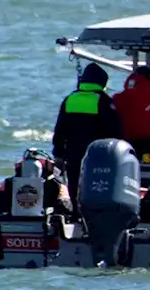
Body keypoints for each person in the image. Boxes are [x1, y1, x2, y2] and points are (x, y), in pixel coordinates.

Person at [52, 62, 123, 204]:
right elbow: (115, 131)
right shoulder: (103, 101)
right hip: (98, 154)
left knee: (74, 182)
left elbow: (60, 129)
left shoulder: (70, 99)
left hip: (73, 152)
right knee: (98, 185)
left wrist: (58, 153)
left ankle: (76, 213)